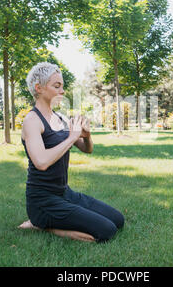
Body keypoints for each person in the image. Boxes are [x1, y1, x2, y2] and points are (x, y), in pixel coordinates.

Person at [18, 62, 124, 243]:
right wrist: (70, 137)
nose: (62, 91)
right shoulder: (32, 121)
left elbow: (86, 149)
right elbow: (41, 162)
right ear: (39, 88)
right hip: (42, 201)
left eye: (62, 87)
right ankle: (42, 224)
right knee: (107, 231)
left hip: (65, 194)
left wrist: (86, 136)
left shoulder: (60, 118)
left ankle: (42, 222)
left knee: (118, 220)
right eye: (56, 86)